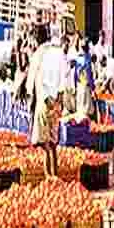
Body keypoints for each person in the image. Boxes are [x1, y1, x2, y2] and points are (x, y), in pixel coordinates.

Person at [28, 24, 65, 176]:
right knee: (53, 141)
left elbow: (33, 80)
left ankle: (49, 177)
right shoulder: (58, 52)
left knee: (45, 142)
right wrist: (60, 97)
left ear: (36, 39)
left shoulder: (38, 54)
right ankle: (55, 174)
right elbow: (64, 75)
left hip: (44, 99)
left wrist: (36, 96)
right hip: (56, 100)